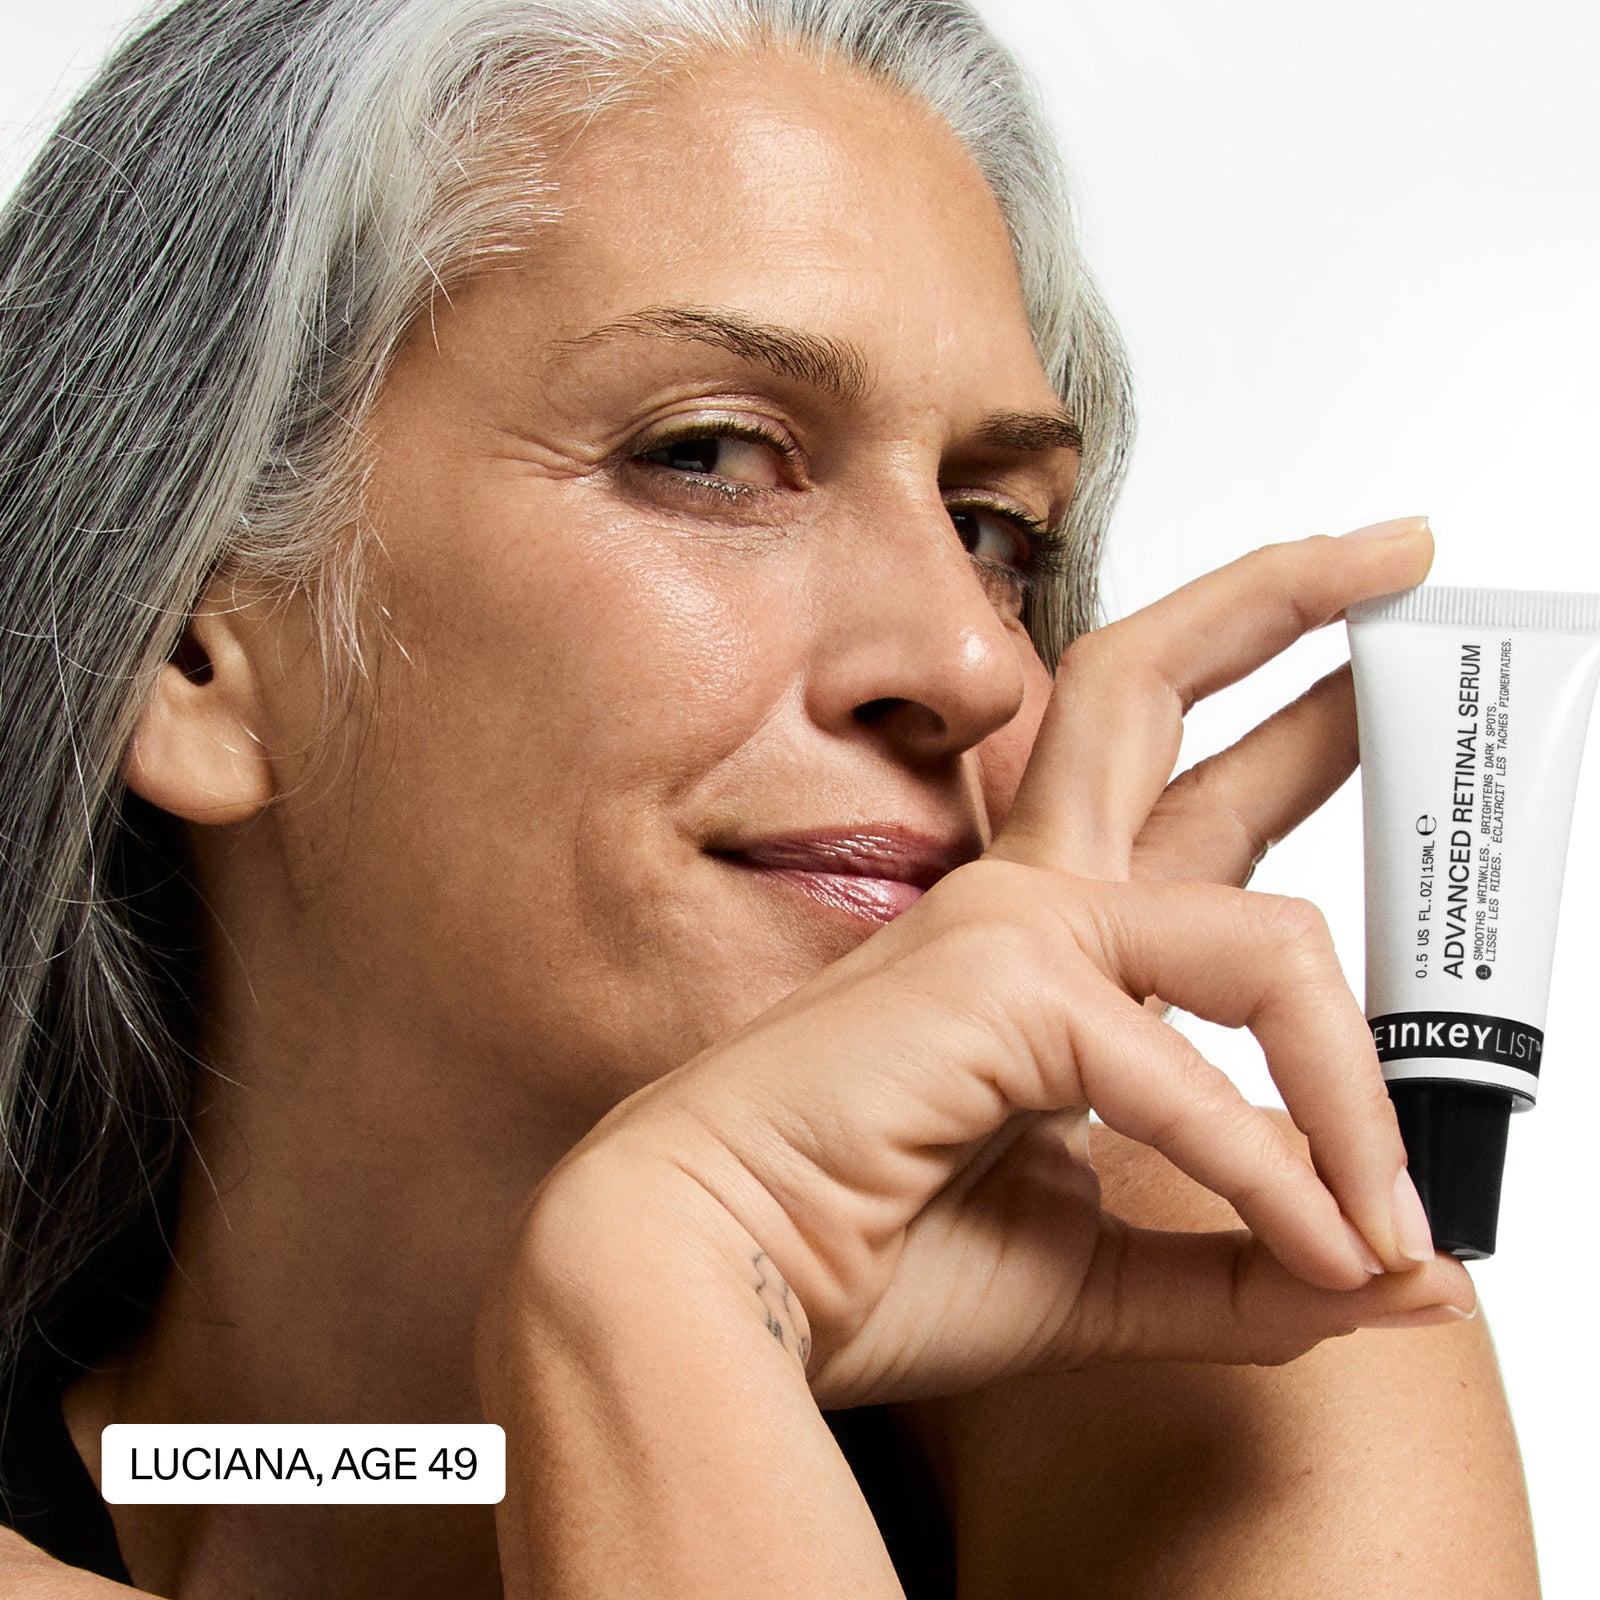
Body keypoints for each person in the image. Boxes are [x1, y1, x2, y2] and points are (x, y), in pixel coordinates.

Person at [0, 0, 1537, 1594]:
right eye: (714, 455)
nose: (975, 660)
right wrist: (650, 1305)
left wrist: (663, 1289)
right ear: (188, 652)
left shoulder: (1235, 1367)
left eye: (996, 530)